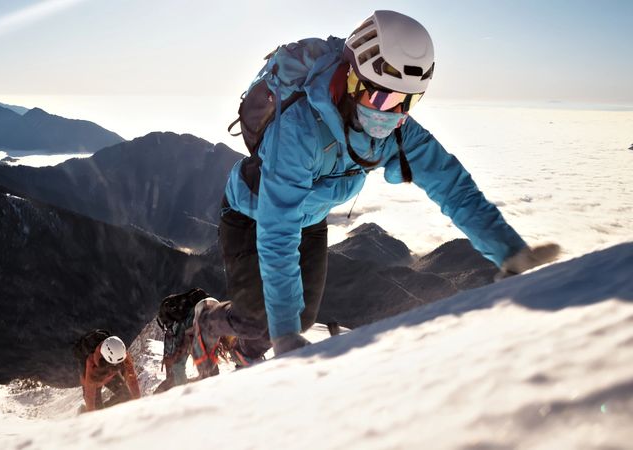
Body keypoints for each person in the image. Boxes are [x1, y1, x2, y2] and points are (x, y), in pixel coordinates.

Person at [182, 10, 560, 378]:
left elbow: (452, 186)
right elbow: (277, 226)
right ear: (351, 77)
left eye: (407, 101)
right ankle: (208, 321)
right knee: (261, 318)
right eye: (381, 98)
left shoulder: (396, 130)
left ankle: (245, 352)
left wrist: (509, 251)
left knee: (301, 318)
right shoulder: (299, 128)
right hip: (251, 212)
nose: (392, 112)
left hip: (310, 215)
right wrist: (283, 336)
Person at [72, 330, 141, 412]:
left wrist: (138, 403)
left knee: (126, 397)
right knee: (97, 410)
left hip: (109, 372)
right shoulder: (91, 364)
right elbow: (89, 395)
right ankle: (83, 412)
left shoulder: (121, 354)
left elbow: (132, 378)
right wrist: (92, 414)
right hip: (95, 378)